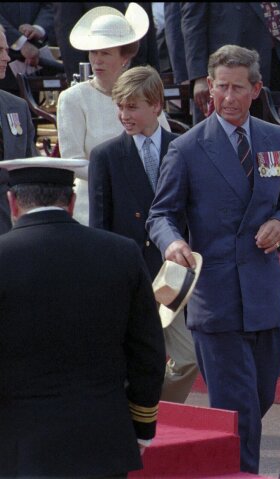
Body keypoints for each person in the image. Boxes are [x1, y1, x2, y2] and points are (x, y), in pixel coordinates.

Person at [147, 44, 280, 473]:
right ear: (209, 90)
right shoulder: (188, 147)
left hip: (265, 295)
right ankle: (243, 473)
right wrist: (172, 243)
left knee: (261, 396)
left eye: (238, 88)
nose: (228, 97)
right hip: (216, 297)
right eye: (220, 88)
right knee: (238, 410)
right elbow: (161, 214)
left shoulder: (275, 138)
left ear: (256, 90)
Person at [0, 157, 165, 477]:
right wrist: (142, 425)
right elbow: (148, 353)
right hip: (103, 444)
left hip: (17, 448)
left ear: (12, 202)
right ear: (72, 202)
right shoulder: (122, 253)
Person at [88, 65, 199, 404]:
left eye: (132, 106)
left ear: (156, 106)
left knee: (189, 358)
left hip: (175, 276)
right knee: (132, 361)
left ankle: (154, 410)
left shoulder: (183, 147)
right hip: (130, 278)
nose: (124, 115)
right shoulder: (105, 156)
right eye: (120, 106)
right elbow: (99, 226)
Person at [57, 2, 170, 226]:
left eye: (105, 53)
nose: (97, 60)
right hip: (94, 205)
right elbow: (72, 162)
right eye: (93, 52)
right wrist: (120, 175)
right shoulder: (72, 98)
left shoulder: (142, 94)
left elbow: (164, 145)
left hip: (145, 203)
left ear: (124, 57)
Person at [180, 2, 280, 123]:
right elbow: (193, 25)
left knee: (273, 135)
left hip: (277, 67)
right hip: (229, 74)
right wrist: (199, 77)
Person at [0, 25, 37, 235]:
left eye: (6, 50)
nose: (7, 58)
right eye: (0, 50)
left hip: (11, 229)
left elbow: (30, 167)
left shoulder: (17, 107)